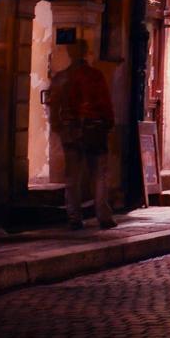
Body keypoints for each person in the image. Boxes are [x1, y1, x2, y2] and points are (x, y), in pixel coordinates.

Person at [49, 39, 117, 229]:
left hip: (70, 130)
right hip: (94, 129)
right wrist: (108, 123)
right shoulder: (95, 76)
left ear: (70, 53)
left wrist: (57, 124)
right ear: (86, 52)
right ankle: (103, 215)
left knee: (72, 176)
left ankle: (74, 217)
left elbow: (54, 104)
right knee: (99, 175)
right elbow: (105, 102)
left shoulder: (62, 77)